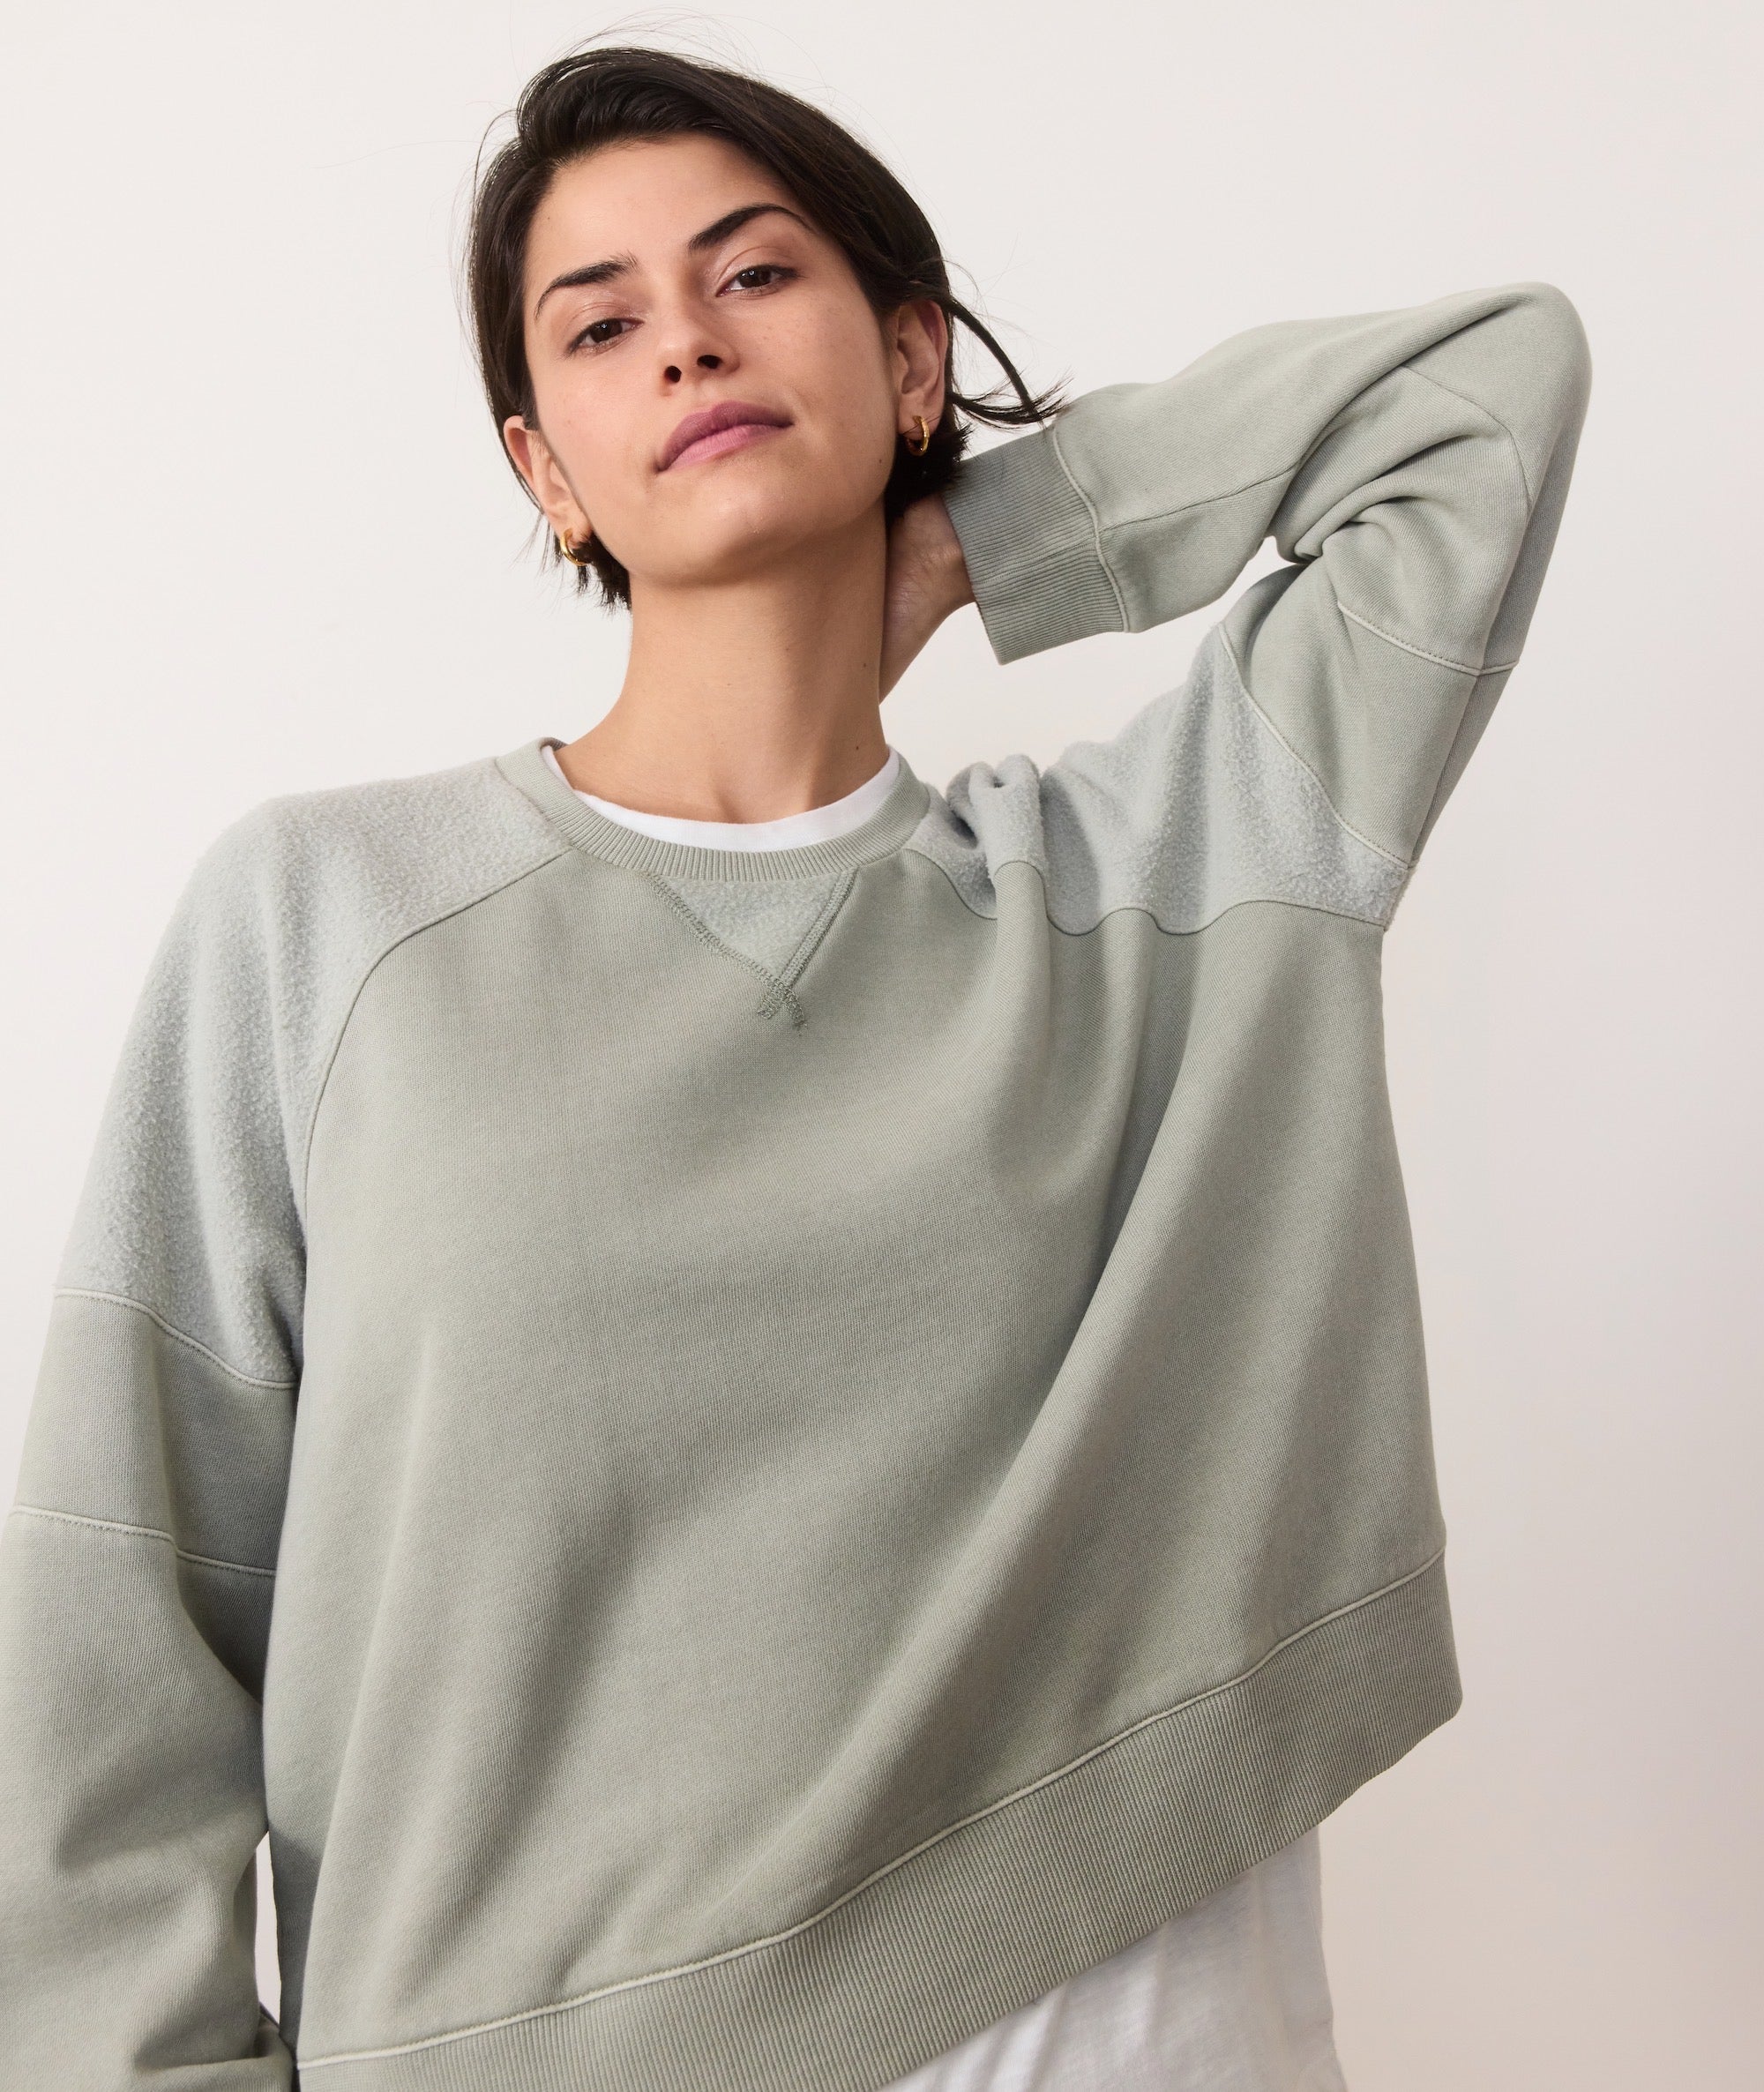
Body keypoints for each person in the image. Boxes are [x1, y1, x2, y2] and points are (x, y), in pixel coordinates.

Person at [0, 40, 1591, 2092]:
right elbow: (116, 1615)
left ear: (909, 360)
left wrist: (971, 547)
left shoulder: (1161, 891)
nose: (685, 338)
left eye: (753, 273)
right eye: (601, 323)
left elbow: (1485, 401)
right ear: (545, 470)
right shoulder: (332, 921)